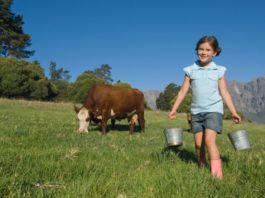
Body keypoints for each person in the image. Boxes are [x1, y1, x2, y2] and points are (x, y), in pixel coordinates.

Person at [168, 35, 241, 180]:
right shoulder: (190, 70)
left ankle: (217, 175)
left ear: (214, 52)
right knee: (197, 144)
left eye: (208, 49)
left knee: (209, 141)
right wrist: (174, 109)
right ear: (196, 50)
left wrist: (233, 112)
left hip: (214, 110)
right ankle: (202, 167)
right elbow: (183, 91)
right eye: (201, 49)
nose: (204, 52)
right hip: (196, 111)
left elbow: (224, 92)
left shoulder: (218, 70)